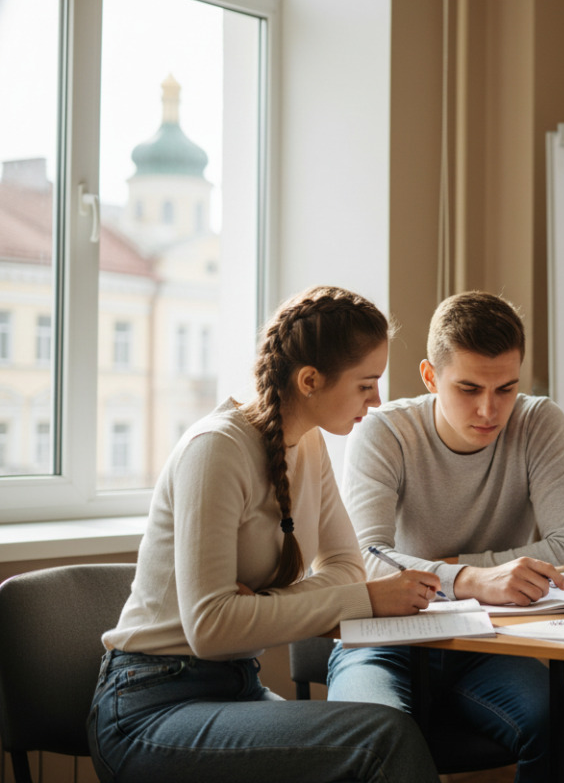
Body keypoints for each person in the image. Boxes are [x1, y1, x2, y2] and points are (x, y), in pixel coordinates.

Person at [87, 286, 442, 783]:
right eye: (366, 385)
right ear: (311, 380)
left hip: (235, 688)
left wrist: (260, 605)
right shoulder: (216, 450)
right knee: (381, 739)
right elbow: (212, 630)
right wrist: (360, 599)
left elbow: (346, 567)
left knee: (381, 736)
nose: (377, 400)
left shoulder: (310, 444)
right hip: (150, 705)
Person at [326, 291, 564, 783]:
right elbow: (363, 560)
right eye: (469, 389)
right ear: (430, 377)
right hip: (385, 637)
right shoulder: (384, 431)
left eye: (506, 389)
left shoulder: (539, 423)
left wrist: (448, 566)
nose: (490, 411)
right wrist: (472, 578)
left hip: (488, 641)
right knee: (372, 734)